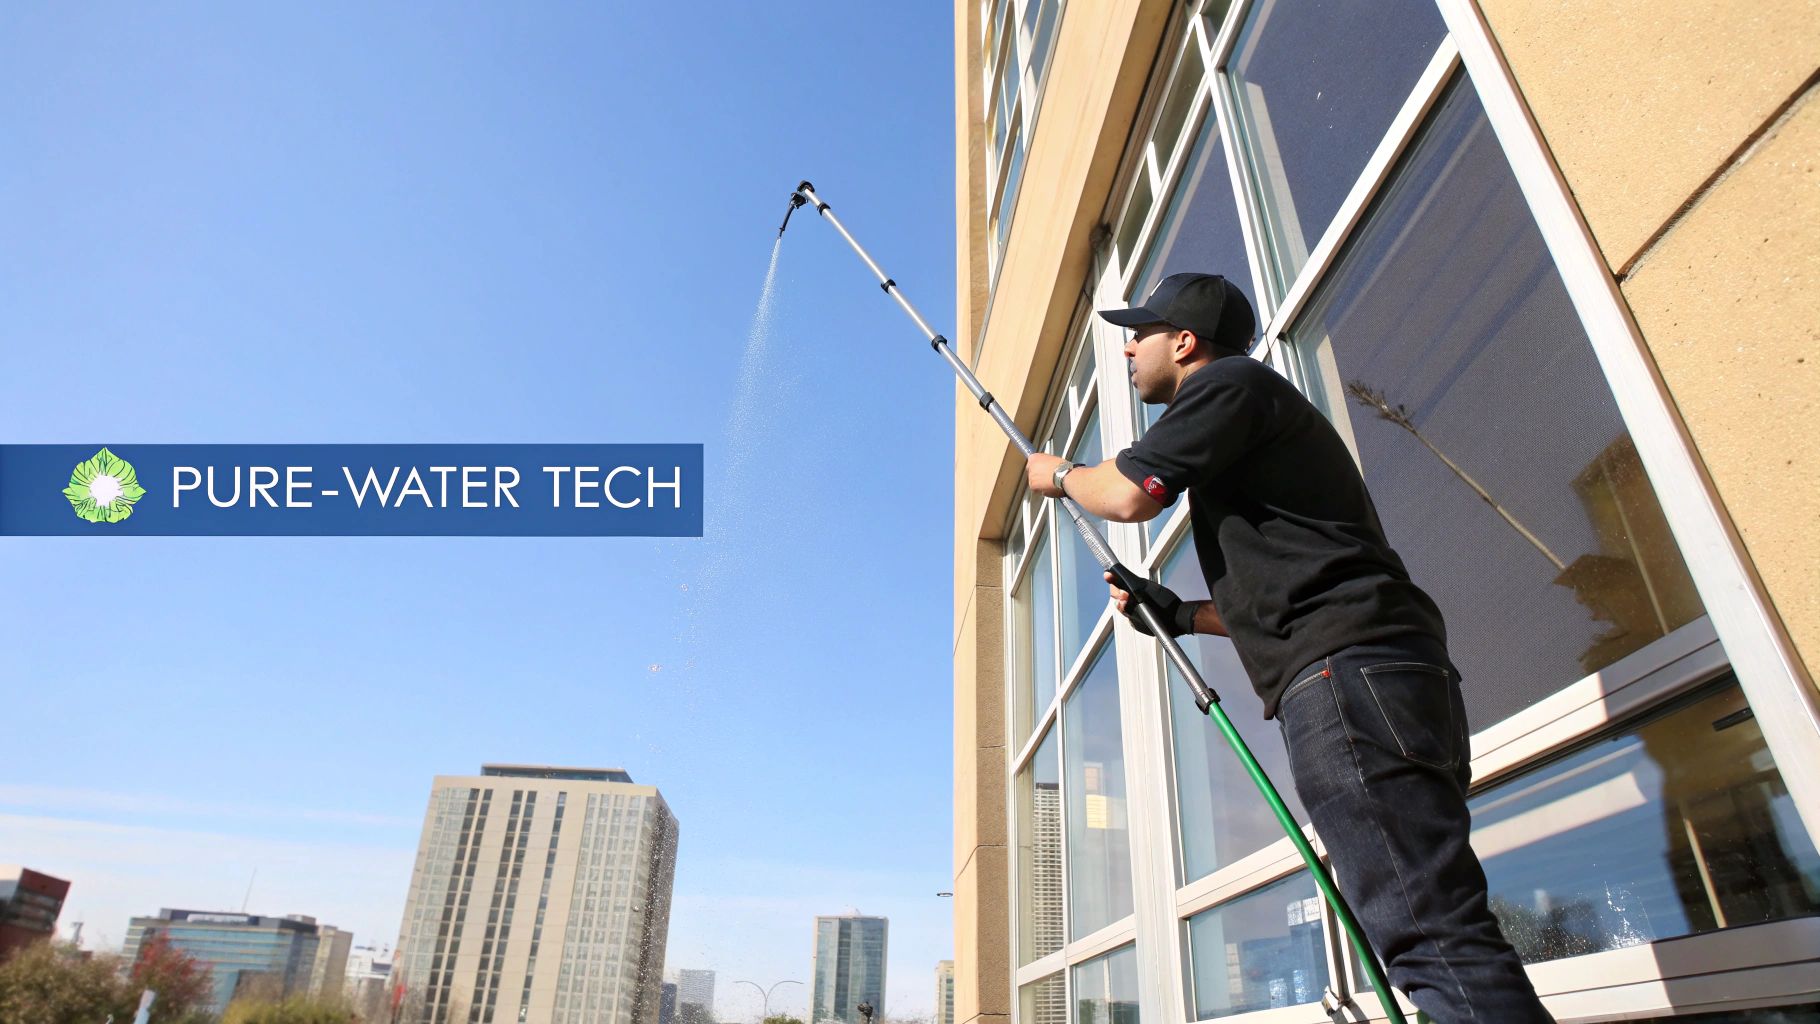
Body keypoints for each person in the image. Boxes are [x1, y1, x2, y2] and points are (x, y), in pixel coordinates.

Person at [1023, 272, 1553, 1023]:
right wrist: (1176, 614)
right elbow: (1283, 606)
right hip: (1378, 669)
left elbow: (1129, 495)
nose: (1129, 348)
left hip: (1349, 679)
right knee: (1437, 928)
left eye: (1139, 333)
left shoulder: (1228, 385)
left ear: (1185, 341)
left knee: (1432, 939)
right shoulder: (1251, 418)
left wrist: (1061, 475)